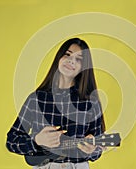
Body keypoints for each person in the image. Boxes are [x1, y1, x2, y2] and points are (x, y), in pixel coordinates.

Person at [6, 38, 106, 169]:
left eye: (79, 59)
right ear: (59, 58)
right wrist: (36, 141)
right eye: (67, 54)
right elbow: (11, 141)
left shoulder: (90, 103)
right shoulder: (36, 99)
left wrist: (92, 150)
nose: (71, 61)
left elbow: (96, 151)